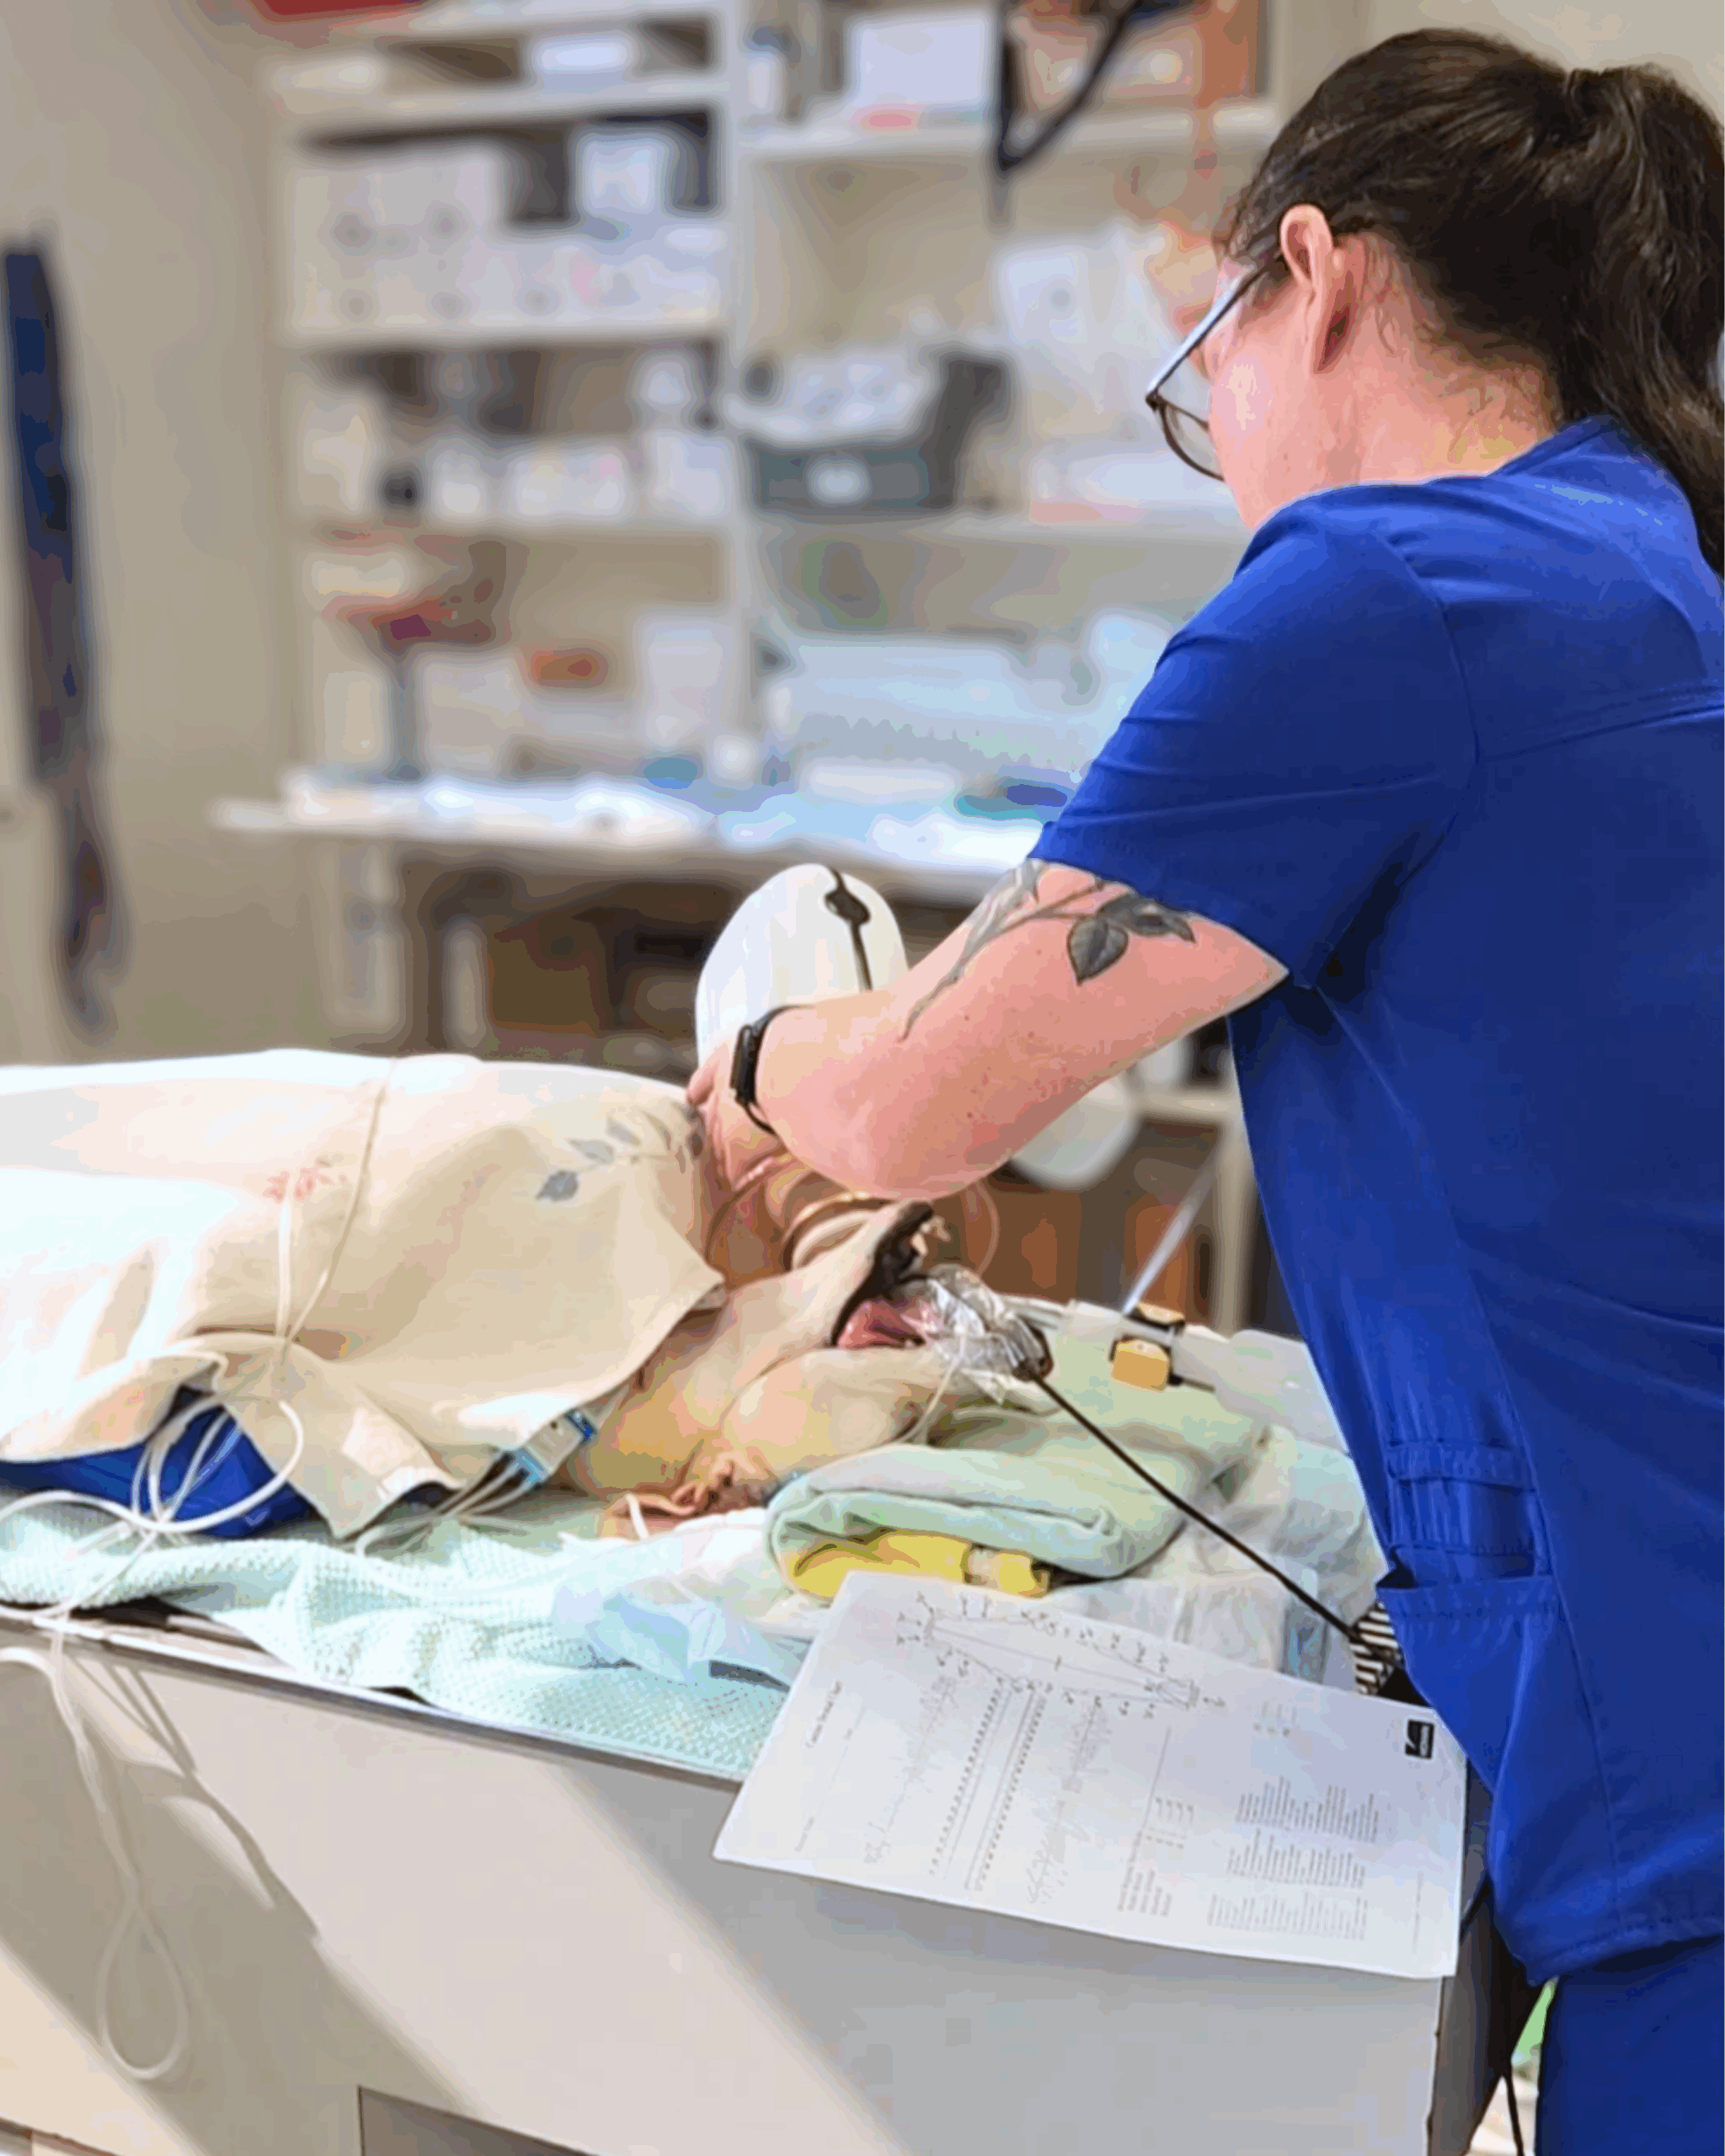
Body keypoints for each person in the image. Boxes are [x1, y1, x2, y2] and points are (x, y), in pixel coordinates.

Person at [690, 29, 1724, 2153]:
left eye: (1205, 366)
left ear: (1313, 277)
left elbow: (906, 1114)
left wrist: (752, 1060)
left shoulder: (1387, 591)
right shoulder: (1648, 557)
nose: (1222, 436)